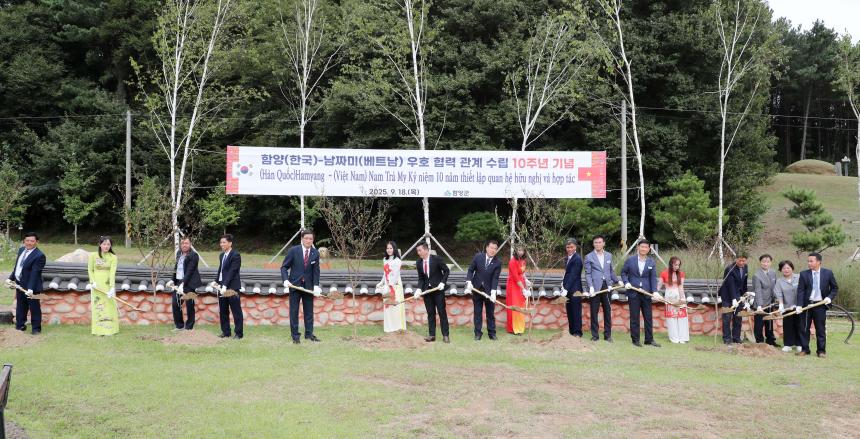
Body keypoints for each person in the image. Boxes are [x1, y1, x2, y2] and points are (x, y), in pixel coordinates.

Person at [281, 230, 322, 344]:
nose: (308, 240)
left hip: (308, 287)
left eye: (311, 239)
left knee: (309, 312)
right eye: (306, 238)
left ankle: (309, 334)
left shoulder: (315, 253)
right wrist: (285, 280)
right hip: (295, 286)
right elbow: (284, 267)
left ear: (313, 240)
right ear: (302, 239)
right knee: (294, 312)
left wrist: (316, 286)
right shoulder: (294, 251)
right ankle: (295, 336)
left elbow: (316, 271)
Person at [795, 252, 838, 358]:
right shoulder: (804, 274)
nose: (809, 263)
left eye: (811, 261)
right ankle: (805, 349)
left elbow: (834, 288)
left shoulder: (828, 273)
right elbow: (800, 290)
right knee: (804, 328)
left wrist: (829, 297)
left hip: (820, 305)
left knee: (820, 329)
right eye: (808, 261)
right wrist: (799, 305)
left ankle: (821, 351)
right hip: (807, 305)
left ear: (819, 262)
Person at [621, 240, 661, 347]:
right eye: (642, 247)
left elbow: (653, 278)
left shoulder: (651, 262)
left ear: (648, 249)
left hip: (646, 293)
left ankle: (649, 339)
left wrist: (655, 291)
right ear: (638, 247)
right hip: (633, 292)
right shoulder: (630, 260)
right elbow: (623, 273)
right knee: (634, 317)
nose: (643, 249)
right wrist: (626, 282)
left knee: (648, 317)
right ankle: (635, 339)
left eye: (646, 247)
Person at [5, 232, 46, 334]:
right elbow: (18, 267)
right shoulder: (21, 250)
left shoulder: (40, 256)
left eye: (32, 241)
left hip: (32, 287)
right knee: (21, 307)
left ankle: (36, 329)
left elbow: (35, 273)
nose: (29, 243)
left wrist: (30, 289)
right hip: (20, 284)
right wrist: (11, 278)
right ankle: (20, 327)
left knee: (34, 308)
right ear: (24, 241)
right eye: (27, 240)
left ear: (37, 242)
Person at [584, 234, 622, 342]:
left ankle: (607, 336)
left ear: (604, 243)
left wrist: (617, 280)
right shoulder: (589, 256)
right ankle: (595, 335)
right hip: (595, 288)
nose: (598, 244)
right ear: (593, 244)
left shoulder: (609, 256)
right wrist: (591, 287)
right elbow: (588, 273)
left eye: (600, 242)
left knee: (607, 311)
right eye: (595, 242)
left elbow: (610, 271)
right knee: (594, 312)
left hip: (607, 287)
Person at [465, 240, 502, 341]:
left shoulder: (498, 262)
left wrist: (493, 292)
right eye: (491, 248)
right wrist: (468, 281)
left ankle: (492, 333)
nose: (493, 250)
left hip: (489, 291)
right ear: (487, 248)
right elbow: (470, 270)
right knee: (477, 312)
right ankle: (478, 333)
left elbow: (495, 278)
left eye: (495, 249)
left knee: (490, 313)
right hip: (476, 289)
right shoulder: (478, 257)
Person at [415, 242, 450, 343]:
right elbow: (421, 278)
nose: (418, 253)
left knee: (442, 312)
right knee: (430, 313)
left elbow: (446, 271)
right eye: (417, 251)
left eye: (420, 250)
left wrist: (442, 282)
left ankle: (446, 335)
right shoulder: (419, 263)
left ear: (426, 250)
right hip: (427, 291)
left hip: (438, 290)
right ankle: (432, 335)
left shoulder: (437, 259)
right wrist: (419, 289)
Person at [88, 236, 119, 336]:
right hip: (96, 286)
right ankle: (98, 330)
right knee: (98, 306)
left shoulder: (113, 257)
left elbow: (112, 273)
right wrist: (93, 282)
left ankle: (110, 329)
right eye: (104, 244)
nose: (106, 246)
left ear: (111, 246)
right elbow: (90, 269)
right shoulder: (93, 255)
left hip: (107, 285)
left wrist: (112, 287)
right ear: (100, 244)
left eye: (108, 244)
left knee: (109, 306)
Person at [170, 237, 202, 331]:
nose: (184, 245)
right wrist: (173, 280)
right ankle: (179, 326)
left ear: (190, 244)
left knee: (189, 305)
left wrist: (183, 284)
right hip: (179, 282)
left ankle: (189, 327)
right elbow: (176, 268)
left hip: (190, 284)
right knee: (175, 303)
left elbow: (190, 271)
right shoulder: (178, 253)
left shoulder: (194, 255)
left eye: (186, 243)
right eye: (182, 243)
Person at [215, 234, 243, 339]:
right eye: (221, 242)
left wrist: (225, 285)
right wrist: (216, 281)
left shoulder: (236, 255)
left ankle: (239, 334)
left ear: (230, 243)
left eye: (224, 242)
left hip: (232, 287)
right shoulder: (222, 255)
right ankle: (226, 332)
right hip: (222, 287)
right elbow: (221, 270)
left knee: (236, 311)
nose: (221, 244)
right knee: (223, 311)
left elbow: (232, 271)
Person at [719, 254, 748, 345]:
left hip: (738, 296)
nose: (742, 262)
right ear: (736, 259)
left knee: (738, 317)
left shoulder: (745, 267)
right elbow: (730, 285)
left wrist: (744, 295)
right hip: (727, 296)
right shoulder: (730, 269)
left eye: (743, 260)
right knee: (727, 318)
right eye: (740, 260)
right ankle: (727, 339)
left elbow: (744, 283)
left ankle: (736, 338)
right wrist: (733, 299)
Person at [377, 241, 406, 332]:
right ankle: (389, 328)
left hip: (395, 286)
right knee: (388, 306)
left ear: (394, 249)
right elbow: (384, 273)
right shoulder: (385, 259)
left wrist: (390, 286)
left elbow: (396, 274)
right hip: (387, 286)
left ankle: (397, 327)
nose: (389, 250)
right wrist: (381, 283)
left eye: (391, 248)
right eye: (387, 248)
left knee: (395, 306)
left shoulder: (397, 261)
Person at [658, 256, 689, 343]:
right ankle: (674, 338)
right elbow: (659, 286)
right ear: (671, 264)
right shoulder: (663, 273)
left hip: (679, 296)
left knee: (681, 317)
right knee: (671, 318)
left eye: (678, 265)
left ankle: (683, 338)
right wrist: (655, 293)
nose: (677, 267)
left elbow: (681, 287)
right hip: (669, 297)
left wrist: (682, 298)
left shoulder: (681, 274)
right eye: (675, 265)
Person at [773, 260, 800, 353]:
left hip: (799, 307)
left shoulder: (799, 277)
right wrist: (781, 305)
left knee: (799, 325)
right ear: (781, 270)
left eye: (788, 268)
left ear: (792, 268)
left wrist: (799, 304)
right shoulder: (779, 281)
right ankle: (788, 344)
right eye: (784, 268)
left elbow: (803, 290)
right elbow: (779, 293)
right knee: (788, 325)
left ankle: (799, 344)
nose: (786, 270)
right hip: (787, 307)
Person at [752, 254, 778, 347]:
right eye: (763, 261)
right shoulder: (757, 275)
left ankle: (771, 340)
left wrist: (777, 299)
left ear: (771, 263)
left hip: (770, 303)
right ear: (760, 263)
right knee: (759, 324)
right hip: (760, 304)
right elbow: (757, 291)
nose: (765, 264)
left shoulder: (773, 272)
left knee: (769, 323)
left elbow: (775, 287)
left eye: (768, 262)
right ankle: (759, 342)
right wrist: (759, 306)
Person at [560, 238, 583, 337]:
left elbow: (573, 275)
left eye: (571, 247)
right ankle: (571, 331)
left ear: (575, 247)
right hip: (568, 289)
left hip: (575, 290)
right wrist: (563, 285)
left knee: (576, 311)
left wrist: (566, 288)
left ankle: (577, 332)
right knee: (569, 311)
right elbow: (567, 274)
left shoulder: (577, 259)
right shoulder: (567, 258)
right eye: (568, 247)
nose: (569, 249)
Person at [505, 245, 528, 335]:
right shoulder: (512, 262)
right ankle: (514, 329)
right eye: (519, 250)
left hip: (521, 283)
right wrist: (523, 289)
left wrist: (526, 280)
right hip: (513, 285)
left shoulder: (523, 261)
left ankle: (520, 327)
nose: (520, 252)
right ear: (515, 251)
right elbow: (515, 277)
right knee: (514, 306)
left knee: (521, 306)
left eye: (522, 250)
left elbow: (523, 273)